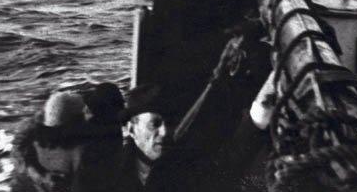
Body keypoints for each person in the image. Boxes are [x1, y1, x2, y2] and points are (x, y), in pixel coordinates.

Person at [119, 69, 277, 192]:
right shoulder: (111, 174)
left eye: (168, 123)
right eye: (154, 124)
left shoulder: (182, 165)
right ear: (131, 129)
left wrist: (259, 116)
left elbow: (226, 167)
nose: (165, 132)